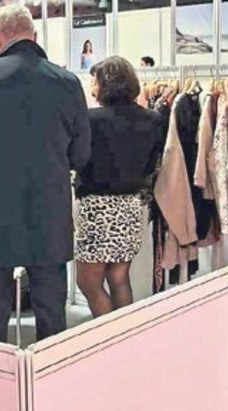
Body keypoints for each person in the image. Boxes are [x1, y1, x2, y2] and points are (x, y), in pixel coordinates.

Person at [0, 4, 91, 343]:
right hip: (49, 214)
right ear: (34, 36)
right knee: (52, 316)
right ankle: (50, 374)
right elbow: (81, 155)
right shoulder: (68, 83)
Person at [74, 56, 164, 317]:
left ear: (105, 84)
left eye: (94, 81)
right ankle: (126, 335)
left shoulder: (90, 119)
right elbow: (152, 163)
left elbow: (78, 159)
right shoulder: (153, 119)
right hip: (131, 205)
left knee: (88, 281)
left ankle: (109, 335)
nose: (92, 86)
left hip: (97, 208)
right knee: (119, 277)